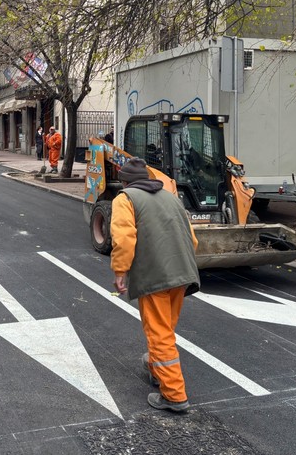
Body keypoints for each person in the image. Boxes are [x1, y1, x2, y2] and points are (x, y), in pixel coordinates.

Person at [110, 157, 200, 413]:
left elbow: (124, 238)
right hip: (182, 273)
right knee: (165, 328)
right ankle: (155, 367)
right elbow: (192, 238)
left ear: (124, 182)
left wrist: (120, 271)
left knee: (159, 333)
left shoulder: (125, 199)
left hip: (155, 276)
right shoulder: (171, 197)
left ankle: (174, 395)